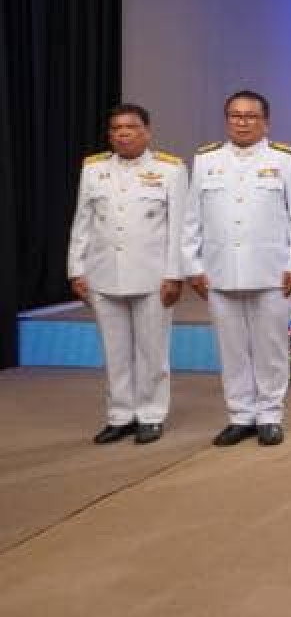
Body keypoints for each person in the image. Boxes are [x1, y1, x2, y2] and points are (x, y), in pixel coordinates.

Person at [183, 91, 291, 447]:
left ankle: (269, 415)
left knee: (271, 348)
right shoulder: (206, 160)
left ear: (265, 122)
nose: (242, 122)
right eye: (235, 116)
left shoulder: (285, 159)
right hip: (220, 271)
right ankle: (239, 415)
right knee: (232, 348)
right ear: (227, 120)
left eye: (250, 116)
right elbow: (192, 218)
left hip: (273, 272)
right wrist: (192, 265)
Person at [68, 104, 188, 445]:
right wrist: (76, 269)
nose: (123, 133)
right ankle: (120, 415)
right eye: (116, 128)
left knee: (152, 351)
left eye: (131, 127)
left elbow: (178, 227)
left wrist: (174, 274)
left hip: (152, 276)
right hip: (103, 273)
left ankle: (150, 414)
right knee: (114, 352)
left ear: (146, 132)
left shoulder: (170, 169)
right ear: (110, 134)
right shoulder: (94, 169)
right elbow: (82, 221)